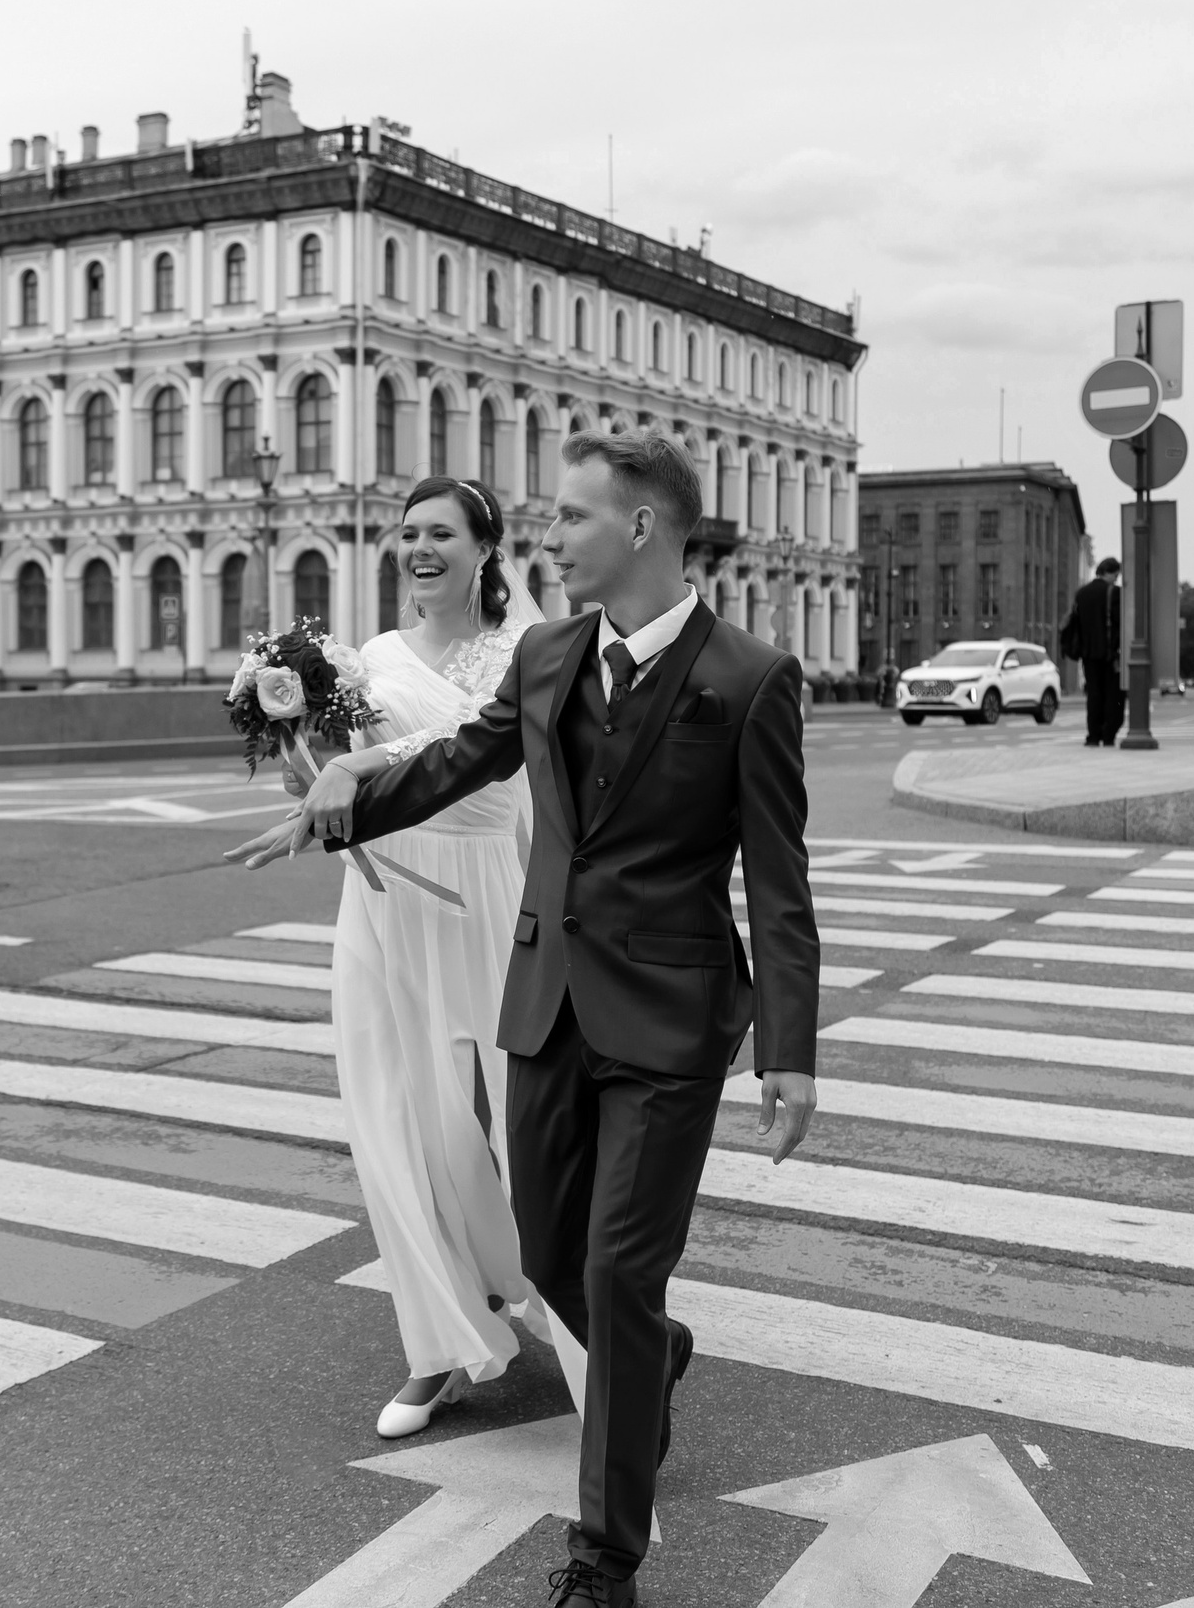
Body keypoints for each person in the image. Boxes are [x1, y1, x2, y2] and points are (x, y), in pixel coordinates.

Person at [233, 429, 819, 1607]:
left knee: (616, 1267)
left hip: (668, 1021)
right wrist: (343, 804)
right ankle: (651, 1353)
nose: (552, 535)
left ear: (641, 526)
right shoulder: (549, 655)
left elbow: (777, 875)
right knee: (552, 1258)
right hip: (544, 1003)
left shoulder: (750, 677)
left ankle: (604, 1558)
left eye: (573, 515)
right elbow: (459, 757)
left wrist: (790, 1051)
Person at [270, 475, 585, 1442]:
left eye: (442, 533)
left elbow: (477, 746)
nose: (419, 549)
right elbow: (347, 793)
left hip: (486, 892)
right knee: (391, 1124)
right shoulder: (369, 658)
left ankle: (584, 1325)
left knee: (512, 1126)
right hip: (381, 905)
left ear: (486, 549)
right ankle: (440, 1344)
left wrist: (356, 764)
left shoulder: (530, 649)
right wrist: (303, 760)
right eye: (409, 533)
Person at [1061, 557, 1124, 745]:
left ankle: (1093, 735)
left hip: (1087, 653)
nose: (1116, 579)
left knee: (1094, 694)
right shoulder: (1115, 593)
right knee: (1113, 695)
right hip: (1110, 654)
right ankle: (1108, 734)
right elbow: (1121, 623)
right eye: (1116, 575)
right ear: (1111, 573)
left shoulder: (1082, 593)